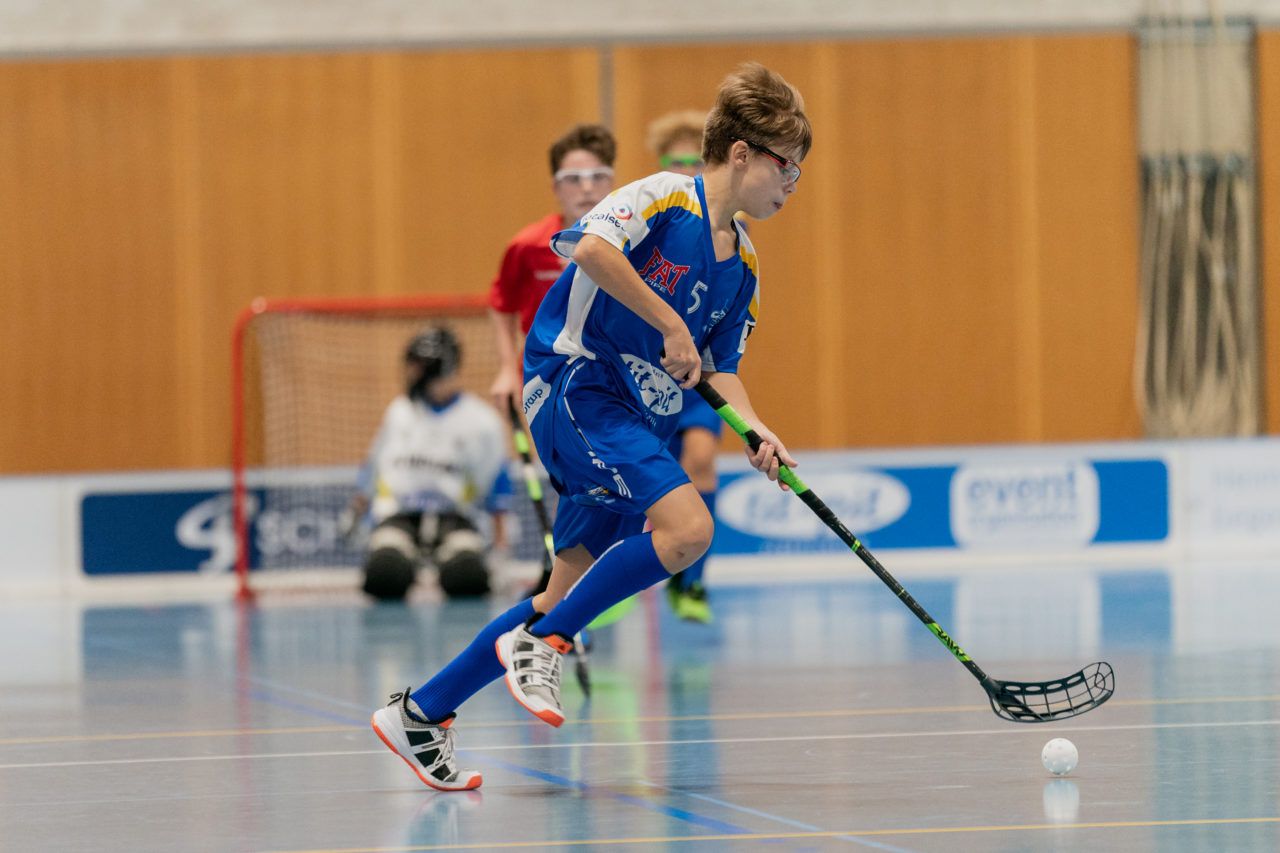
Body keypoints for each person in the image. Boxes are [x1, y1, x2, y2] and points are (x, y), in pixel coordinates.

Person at [371, 62, 811, 791]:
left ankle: (422, 711)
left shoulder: (746, 268)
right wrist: (669, 321)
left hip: (633, 414)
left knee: (559, 589)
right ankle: (547, 642)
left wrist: (757, 428)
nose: (793, 183)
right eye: (787, 166)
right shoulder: (666, 197)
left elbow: (719, 365)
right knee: (688, 530)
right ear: (742, 153)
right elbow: (590, 248)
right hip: (576, 384)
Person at [351, 326, 512, 602]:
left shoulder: (482, 423)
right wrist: (356, 513)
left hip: (455, 519)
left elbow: (498, 489)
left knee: (466, 578)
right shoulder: (400, 412)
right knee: (385, 573)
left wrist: (500, 552)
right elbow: (373, 468)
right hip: (399, 517)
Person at [646, 108, 724, 624]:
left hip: (695, 377)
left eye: (697, 161)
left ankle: (692, 584)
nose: (688, 170)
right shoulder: (650, 220)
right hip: (644, 375)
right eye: (678, 161)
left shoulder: (723, 230)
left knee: (700, 458)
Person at [488, 123, 618, 414]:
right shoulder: (528, 246)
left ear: (612, 184)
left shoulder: (634, 244)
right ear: (555, 186)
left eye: (598, 177)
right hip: (545, 374)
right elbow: (501, 304)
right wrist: (508, 369)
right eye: (573, 179)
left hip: (613, 374)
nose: (586, 188)